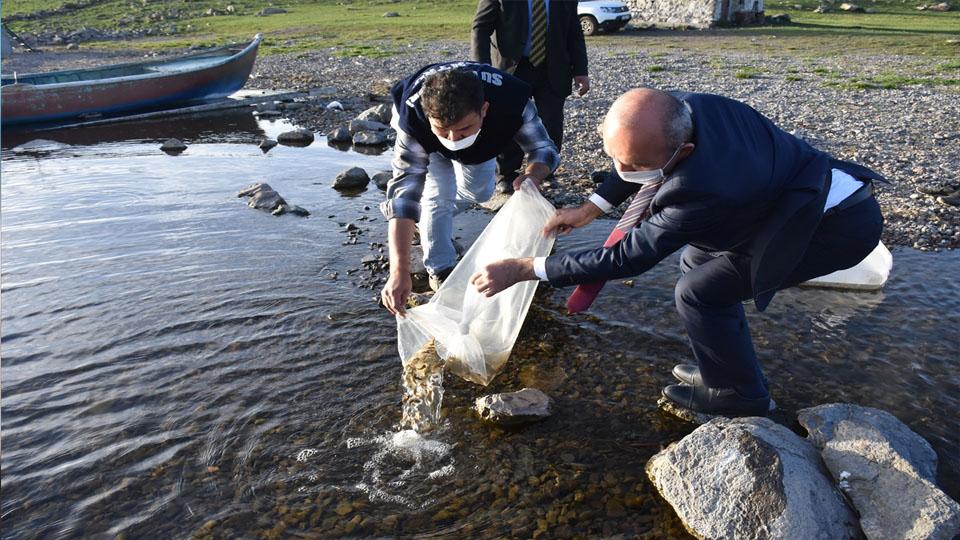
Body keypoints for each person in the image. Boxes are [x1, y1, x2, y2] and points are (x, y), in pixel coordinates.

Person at [468, 88, 886, 416]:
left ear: (681, 153)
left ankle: (742, 396)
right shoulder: (685, 111)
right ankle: (720, 370)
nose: (623, 173)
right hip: (785, 194)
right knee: (695, 261)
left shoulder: (699, 189)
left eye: (635, 166)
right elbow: (634, 160)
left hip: (833, 226)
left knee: (698, 292)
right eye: (615, 158)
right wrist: (589, 209)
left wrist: (527, 268)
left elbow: (627, 258)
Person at [379, 61, 560, 316]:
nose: (452, 139)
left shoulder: (513, 103)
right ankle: (440, 268)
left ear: (484, 110)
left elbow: (544, 150)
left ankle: (427, 219)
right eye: (443, 130)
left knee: (480, 193)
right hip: (425, 137)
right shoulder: (414, 119)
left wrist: (532, 175)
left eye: (463, 130)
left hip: (485, 141)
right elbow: (404, 192)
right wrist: (398, 271)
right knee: (437, 196)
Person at [472, 0, 589, 193]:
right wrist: (481, 68)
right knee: (509, 120)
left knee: (551, 121)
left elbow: (574, 32)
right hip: (512, 67)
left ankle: (545, 171)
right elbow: (480, 27)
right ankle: (507, 174)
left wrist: (581, 71)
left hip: (552, 68)